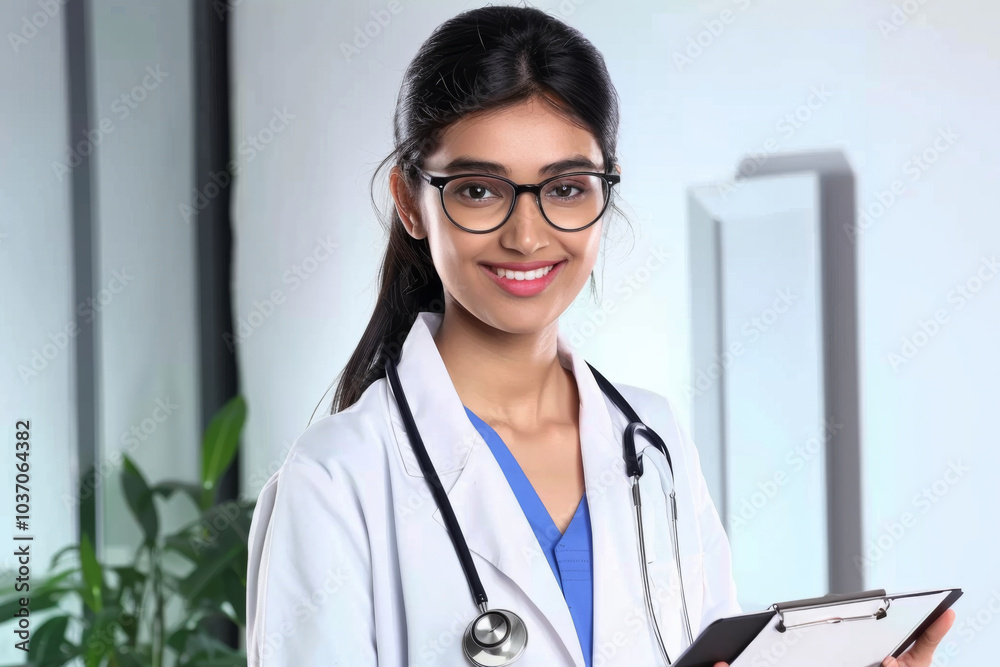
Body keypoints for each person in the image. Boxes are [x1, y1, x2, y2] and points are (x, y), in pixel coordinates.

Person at [244, 5, 954, 666]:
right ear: (411, 203)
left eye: (566, 187)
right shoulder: (335, 482)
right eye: (479, 189)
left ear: (604, 191)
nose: (526, 236)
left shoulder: (654, 438)